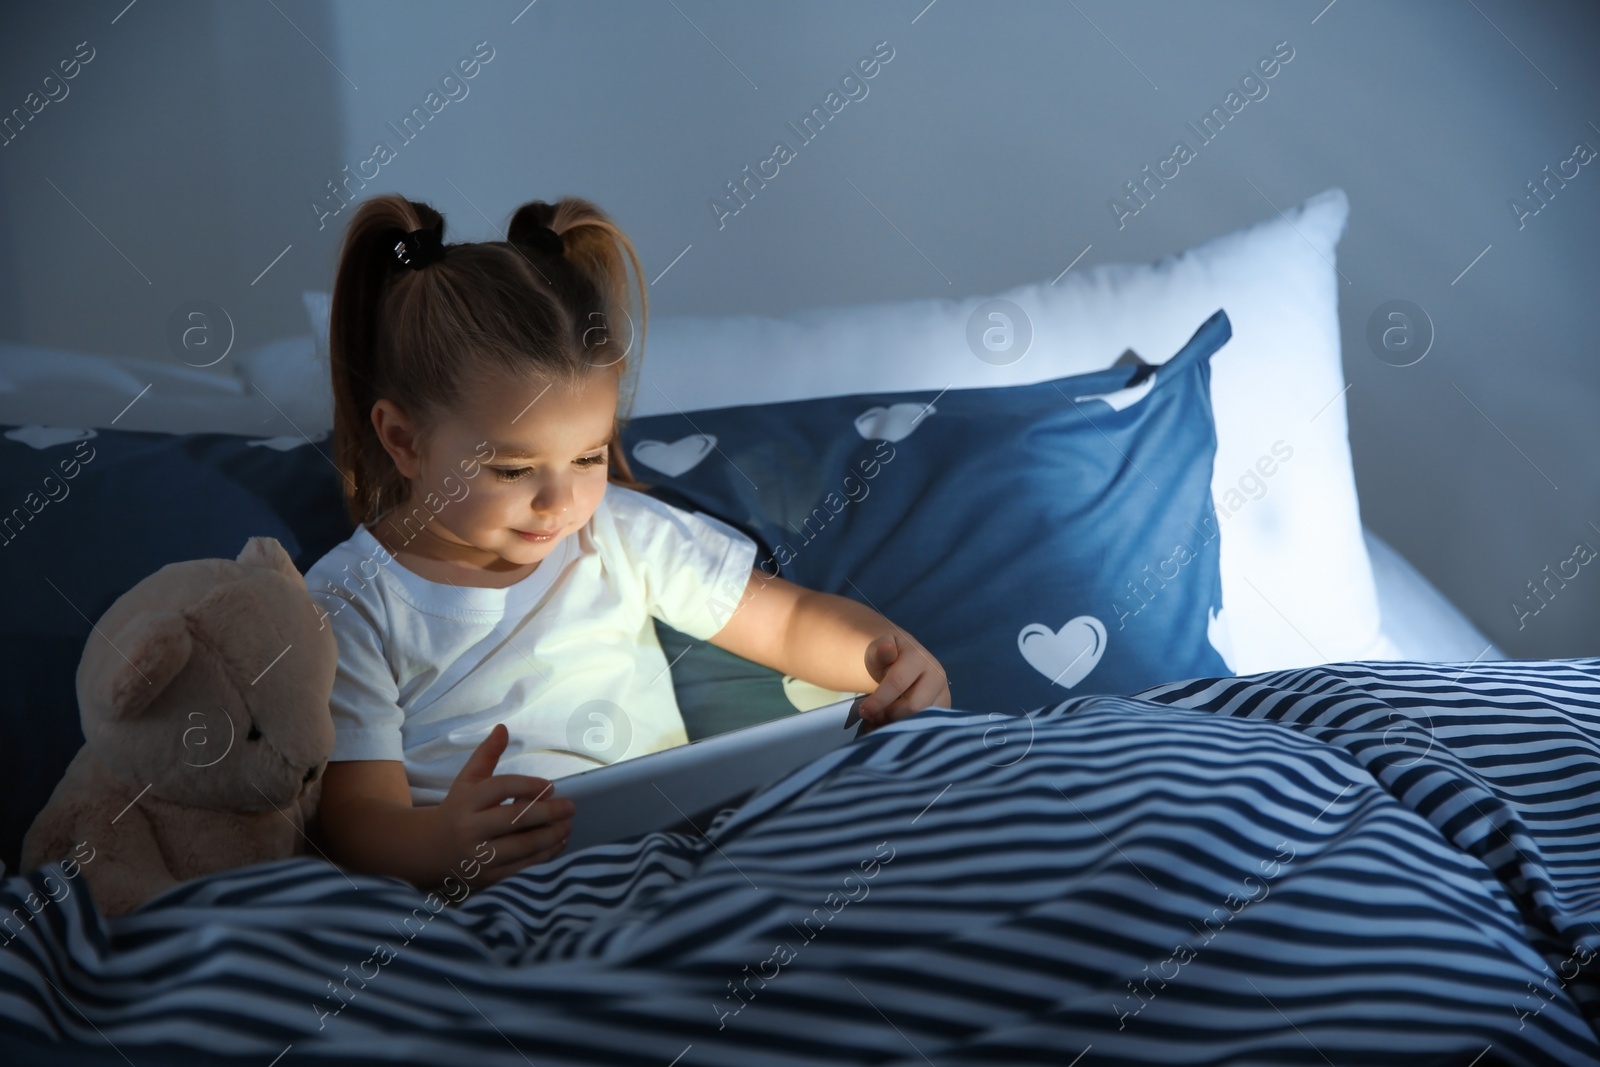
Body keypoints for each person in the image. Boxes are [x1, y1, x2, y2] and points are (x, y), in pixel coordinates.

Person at [308, 193, 951, 897]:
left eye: (589, 457)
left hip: (674, 865)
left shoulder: (618, 529)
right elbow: (355, 818)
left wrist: (884, 657)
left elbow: (788, 619)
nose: (561, 502)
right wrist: (442, 842)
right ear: (402, 440)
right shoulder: (352, 600)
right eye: (514, 469)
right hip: (495, 895)